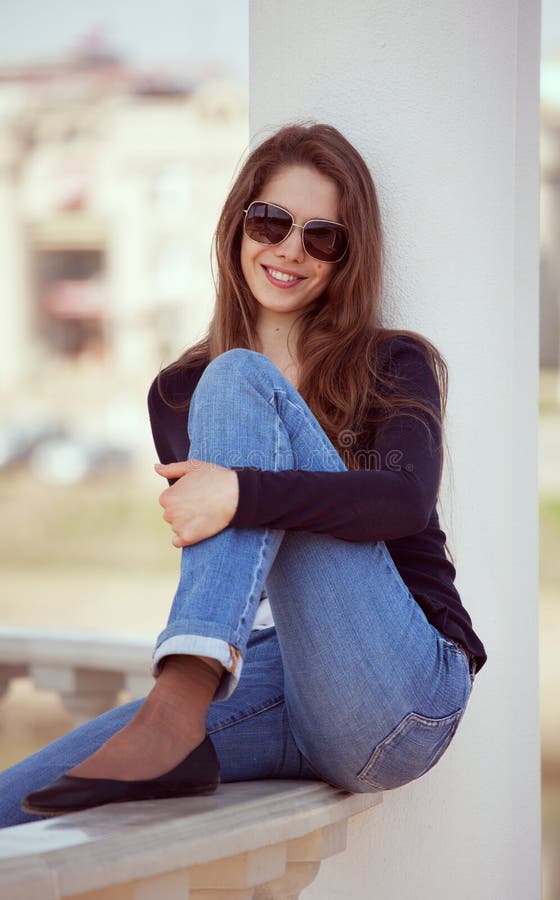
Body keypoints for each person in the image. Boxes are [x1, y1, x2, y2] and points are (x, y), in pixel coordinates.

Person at [0, 122, 487, 826]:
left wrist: (243, 489)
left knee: (232, 379)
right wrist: (235, 493)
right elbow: (224, 551)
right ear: (237, 227)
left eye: (323, 237)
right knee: (25, 801)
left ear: (347, 258)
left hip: (401, 687)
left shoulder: (393, 364)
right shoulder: (176, 391)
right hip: (275, 680)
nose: (290, 249)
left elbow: (403, 502)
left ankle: (178, 706)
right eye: (271, 221)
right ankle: (178, 716)